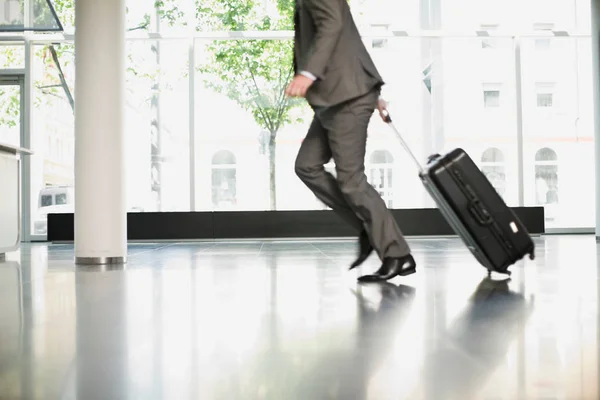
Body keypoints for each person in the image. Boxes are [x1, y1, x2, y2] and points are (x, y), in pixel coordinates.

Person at [285, 0, 416, 282]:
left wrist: (307, 74)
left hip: (347, 98)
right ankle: (369, 227)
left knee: (351, 181)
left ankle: (397, 255)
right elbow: (346, 41)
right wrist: (374, 93)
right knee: (307, 165)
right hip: (336, 97)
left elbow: (333, 24)